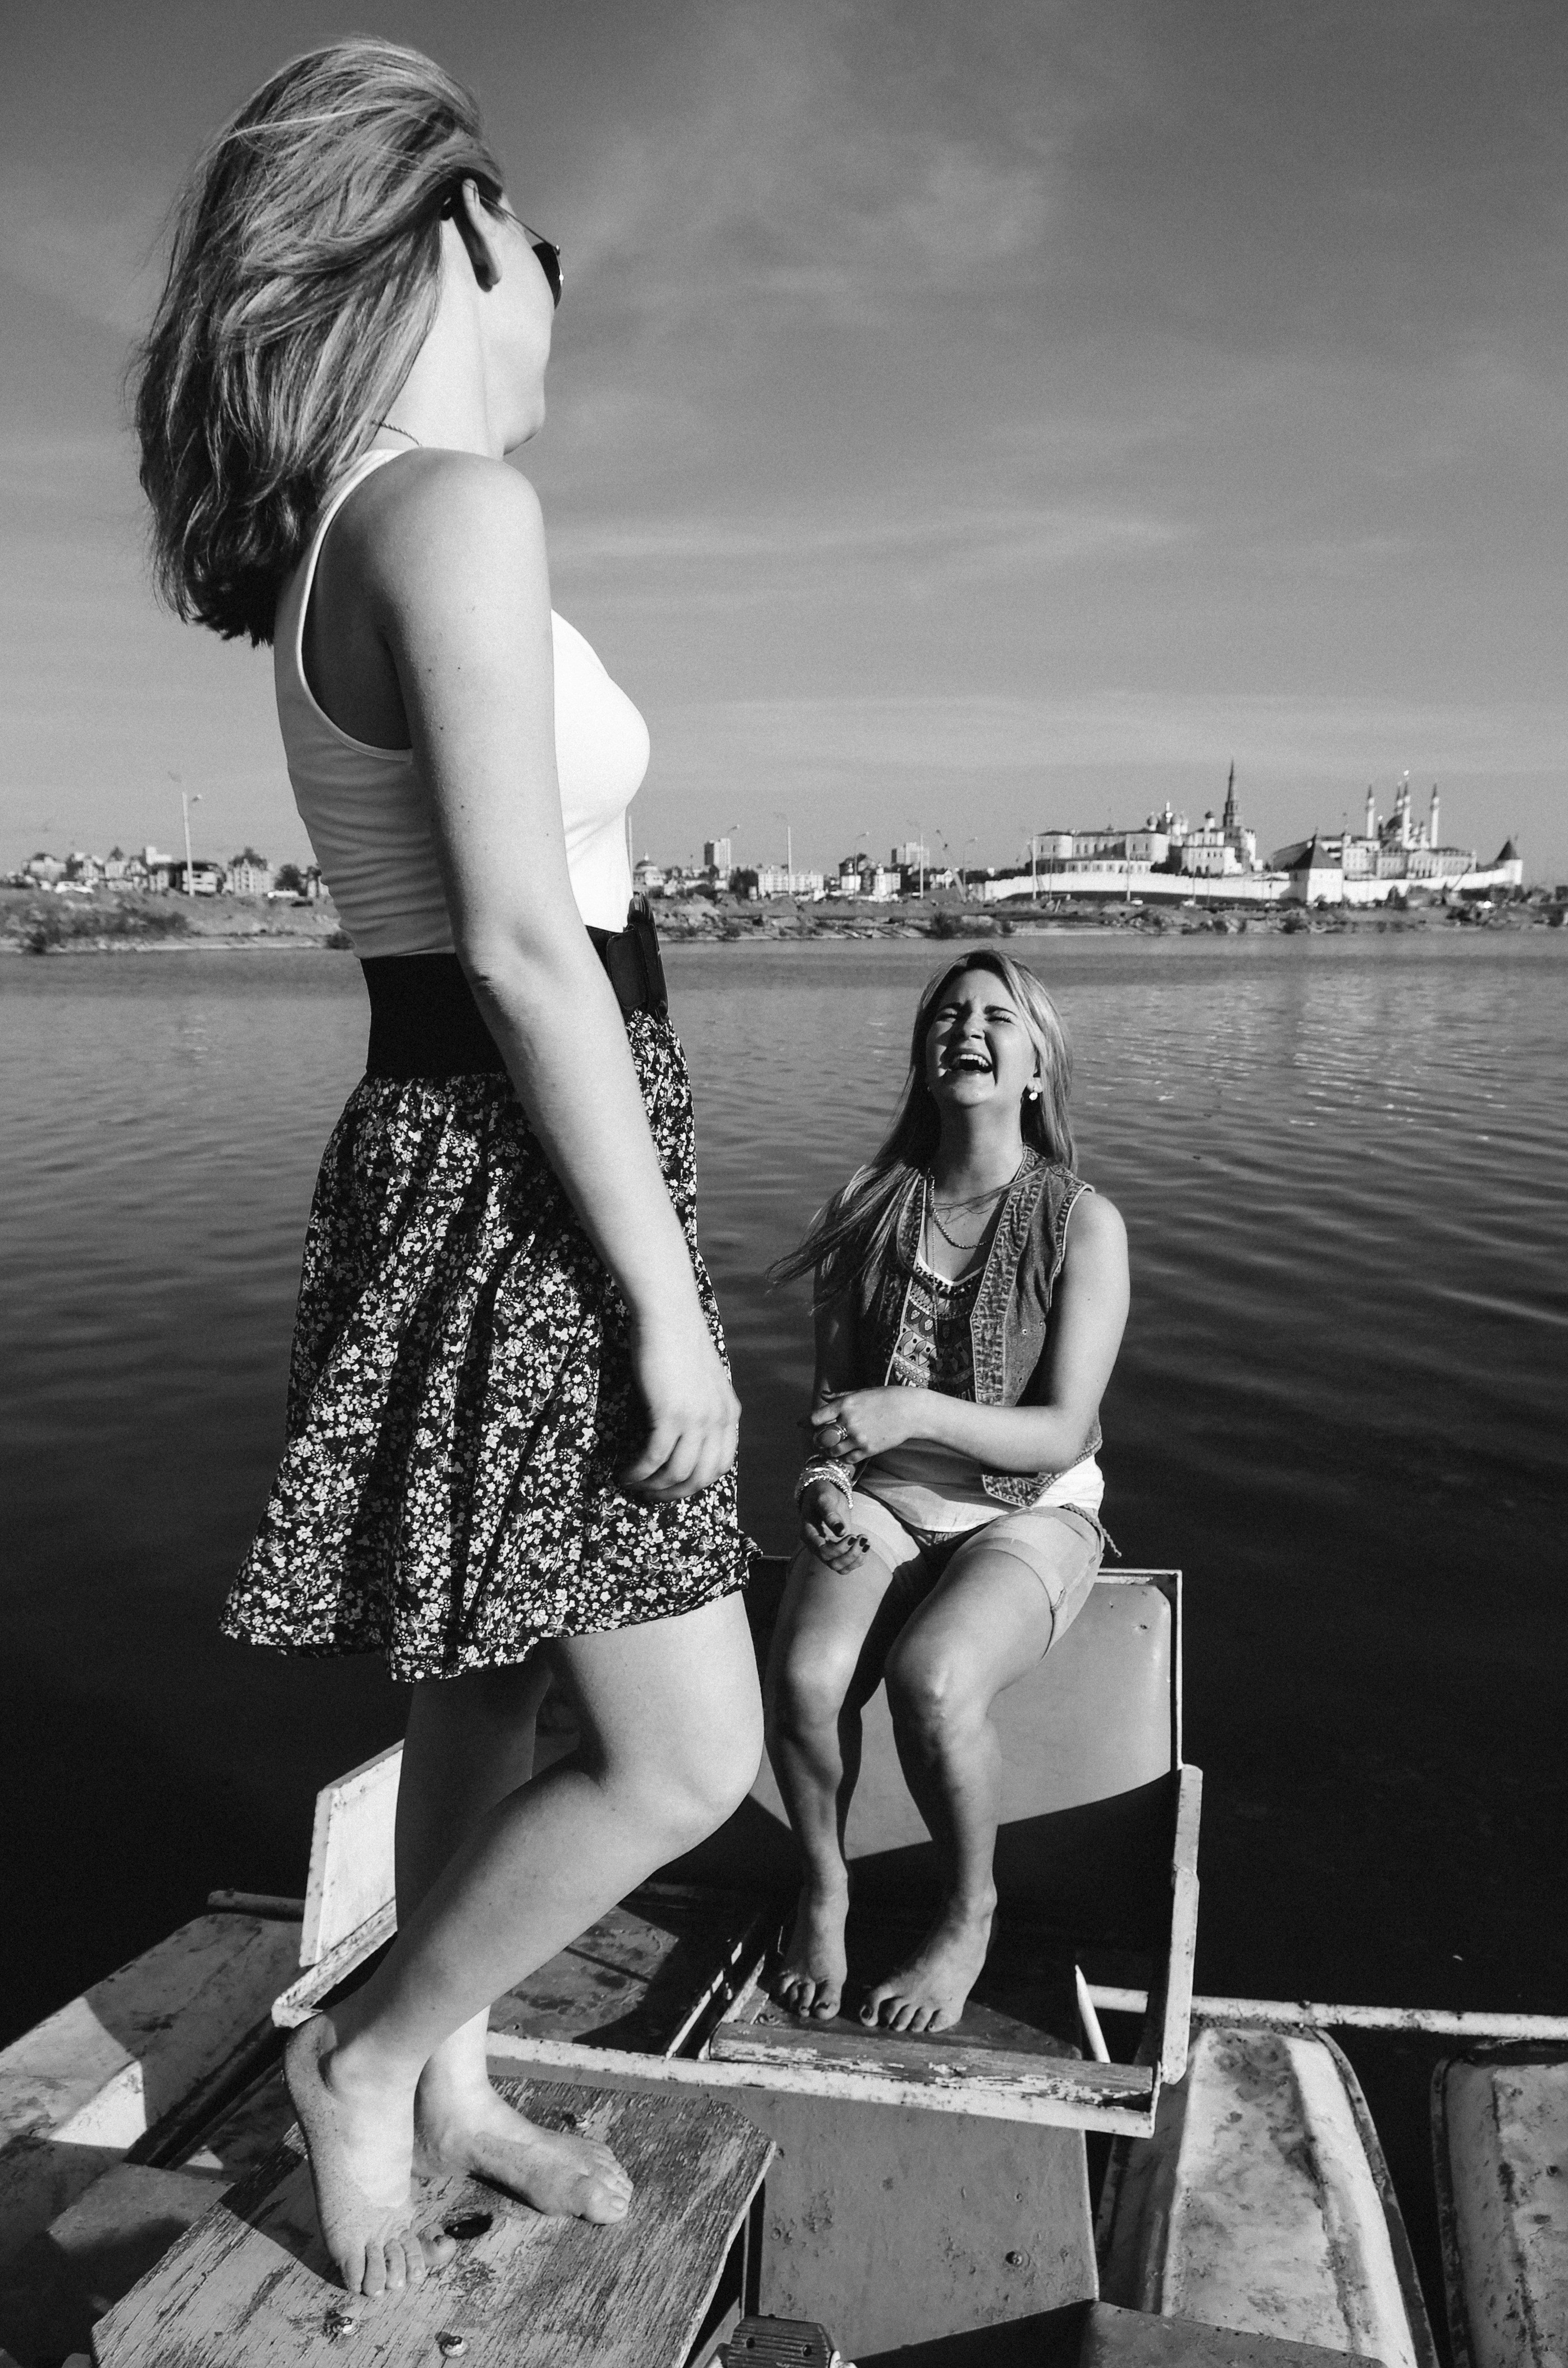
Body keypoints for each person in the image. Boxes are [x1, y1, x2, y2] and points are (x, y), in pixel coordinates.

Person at [132, 40, 762, 2299]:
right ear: (469, 228)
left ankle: (459, 2056)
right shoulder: (453, 511)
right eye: (555, 261)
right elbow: (523, 934)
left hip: (450, 1153)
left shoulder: (343, 540)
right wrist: (669, 1301)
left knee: (482, 1682)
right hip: (525, 1163)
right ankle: (370, 2053)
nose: (563, 306)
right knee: (693, 1756)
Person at [765, 952, 1128, 2035]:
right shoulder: (864, 1207)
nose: (967, 1027)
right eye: (947, 1013)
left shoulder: (1083, 1222)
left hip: (1034, 1509)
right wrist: (824, 1480)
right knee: (805, 1679)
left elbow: (1063, 1426)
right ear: (924, 1057)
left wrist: (909, 1414)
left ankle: (969, 1912)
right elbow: (833, 1406)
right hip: (888, 1500)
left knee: (931, 1680)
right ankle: (824, 1888)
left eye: (996, 1016)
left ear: (1036, 1065)